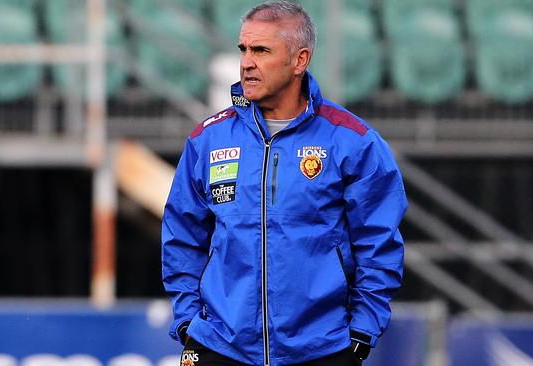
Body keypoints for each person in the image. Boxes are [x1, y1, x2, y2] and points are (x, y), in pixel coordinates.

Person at [162, 1, 407, 365]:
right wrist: (187, 322)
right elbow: (181, 236)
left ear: (299, 60)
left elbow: (379, 243)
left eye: (261, 50)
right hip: (220, 346)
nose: (246, 62)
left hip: (320, 349)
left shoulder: (353, 141)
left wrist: (361, 331)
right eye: (243, 49)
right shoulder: (208, 140)